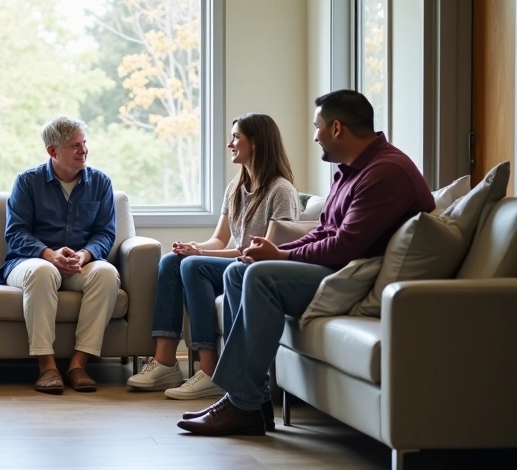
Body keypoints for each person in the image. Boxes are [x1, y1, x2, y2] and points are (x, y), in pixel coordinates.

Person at [178, 91, 434, 436]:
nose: (315, 136)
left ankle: (242, 403)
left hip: (356, 277)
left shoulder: (385, 172)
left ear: (337, 128)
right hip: (340, 266)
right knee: (240, 271)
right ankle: (251, 401)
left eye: (318, 127)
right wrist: (275, 248)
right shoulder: (351, 172)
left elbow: (344, 247)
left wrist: (281, 256)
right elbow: (325, 232)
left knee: (260, 277)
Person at [128, 113, 299, 400]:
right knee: (173, 261)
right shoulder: (236, 187)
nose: (230, 144)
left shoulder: (281, 190)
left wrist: (201, 254)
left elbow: (262, 251)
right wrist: (195, 246)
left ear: (255, 143)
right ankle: (165, 362)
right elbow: (220, 238)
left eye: (236, 137)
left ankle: (210, 371)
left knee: (195, 265)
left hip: (254, 268)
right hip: (235, 263)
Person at [0, 116, 119, 394]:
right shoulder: (27, 182)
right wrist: (48, 254)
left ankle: (78, 364)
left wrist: (85, 255)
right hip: (29, 262)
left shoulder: (100, 183)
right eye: (75, 146)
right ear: (52, 151)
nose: (83, 150)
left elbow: (105, 233)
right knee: (43, 271)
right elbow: (15, 233)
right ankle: (47, 366)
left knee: (107, 274)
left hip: (79, 264)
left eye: (84, 143)